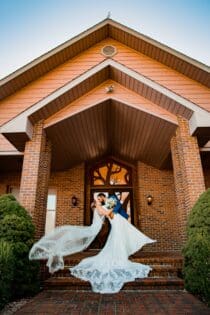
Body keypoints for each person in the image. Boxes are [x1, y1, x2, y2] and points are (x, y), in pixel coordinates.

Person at [29, 196, 156, 293]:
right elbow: (106, 212)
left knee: (124, 240)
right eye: (99, 199)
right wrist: (97, 202)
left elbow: (113, 206)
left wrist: (100, 202)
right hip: (117, 225)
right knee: (116, 243)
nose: (100, 199)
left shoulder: (111, 201)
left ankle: (121, 256)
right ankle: (120, 257)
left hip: (120, 224)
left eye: (101, 198)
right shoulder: (105, 206)